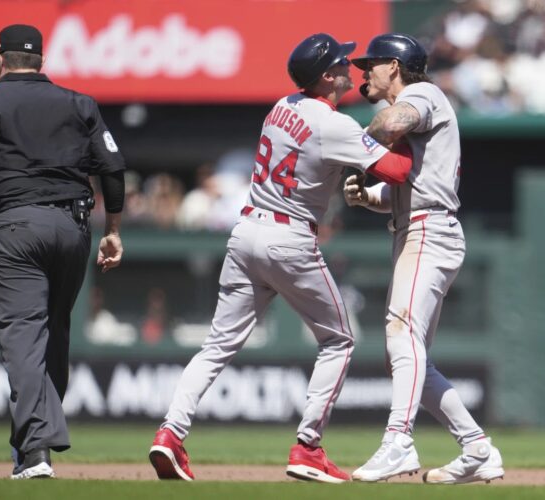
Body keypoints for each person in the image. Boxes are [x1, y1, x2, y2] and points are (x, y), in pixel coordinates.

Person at [148, 33, 413, 484]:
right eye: (341, 63)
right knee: (339, 340)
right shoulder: (334, 124)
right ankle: (308, 447)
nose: (348, 67)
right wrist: (406, 129)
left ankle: (170, 433)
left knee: (216, 346)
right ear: (326, 76)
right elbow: (398, 171)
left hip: (247, 230)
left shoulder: (282, 105)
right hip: (288, 238)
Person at [0, 24, 125, 479]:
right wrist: (113, 230)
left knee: (24, 336)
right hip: (73, 227)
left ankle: (35, 452)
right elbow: (113, 168)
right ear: (42, 61)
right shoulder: (79, 103)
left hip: (14, 226)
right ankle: (35, 443)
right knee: (52, 334)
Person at [343, 33, 504, 484]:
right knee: (409, 353)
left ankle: (398, 440)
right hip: (417, 225)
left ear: (394, 66)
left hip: (429, 230)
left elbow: (392, 122)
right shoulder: (415, 101)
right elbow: (411, 189)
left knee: (402, 333)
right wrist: (370, 197)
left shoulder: (422, 93)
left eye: (371, 65)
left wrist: (352, 143)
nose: (364, 73)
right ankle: (477, 448)